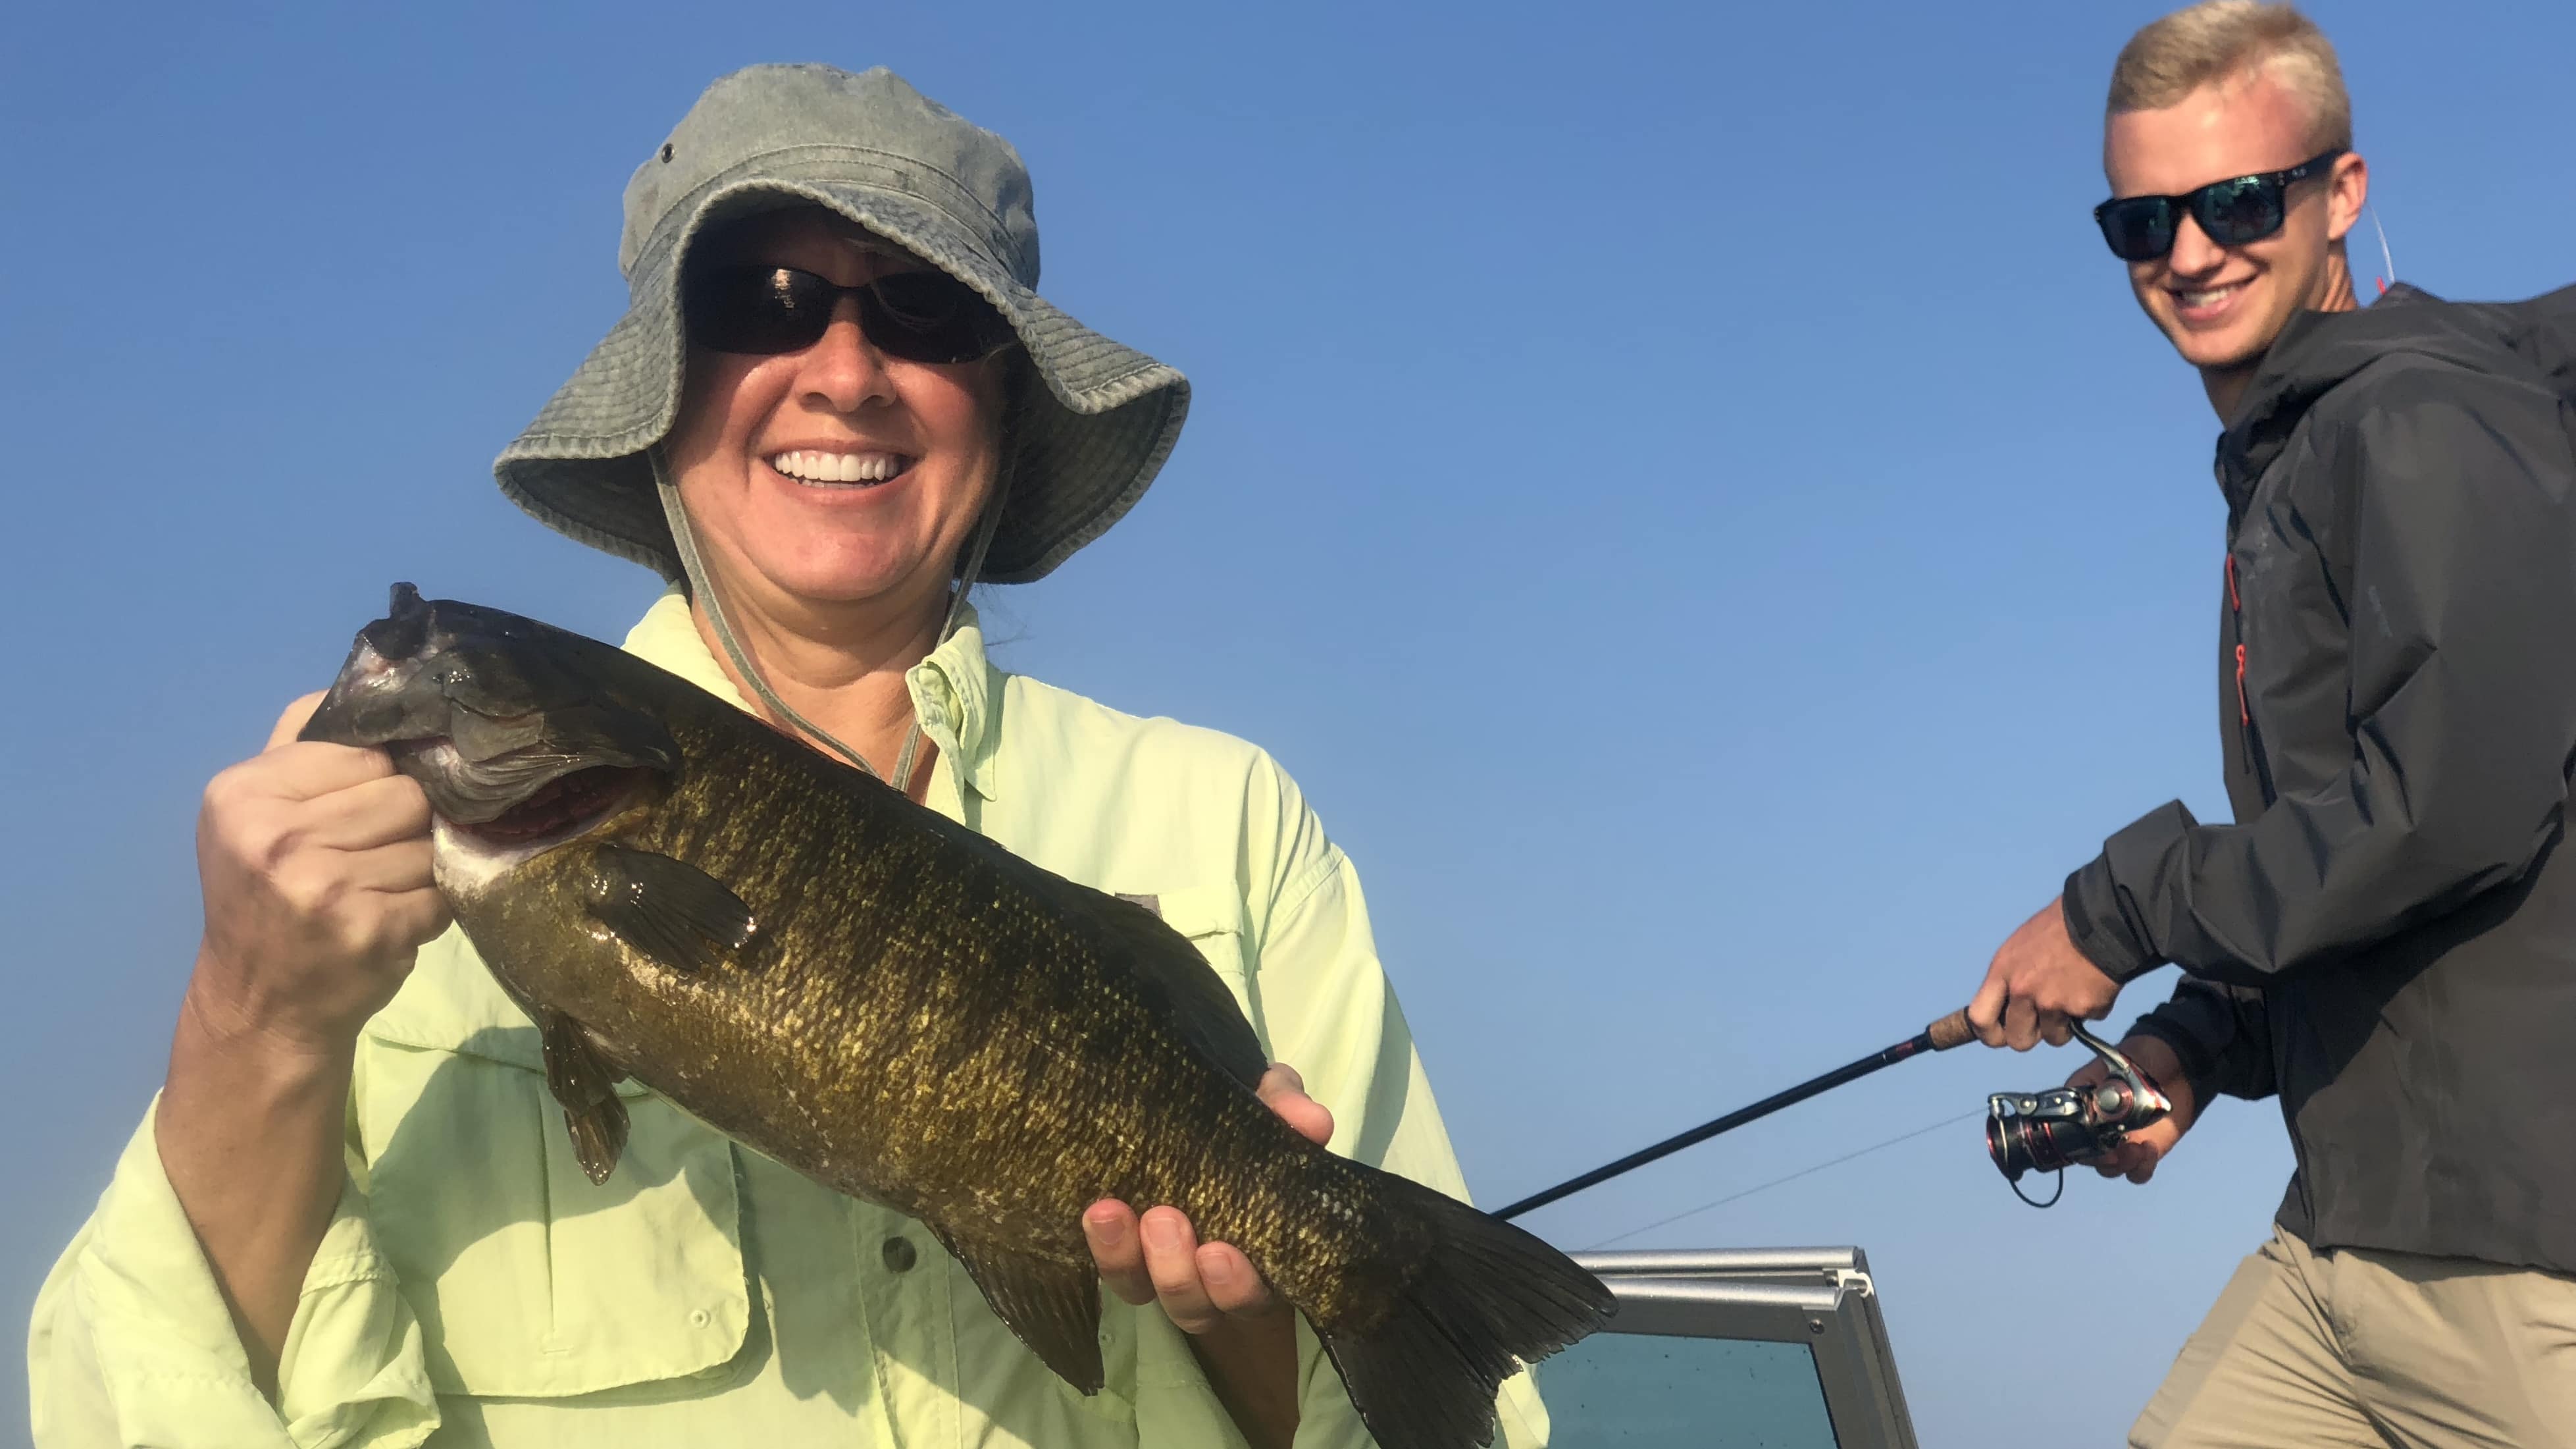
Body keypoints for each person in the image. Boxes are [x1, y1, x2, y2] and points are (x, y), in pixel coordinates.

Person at [30, 64, 1547, 1449]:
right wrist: (255, 1019)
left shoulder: (1227, 822)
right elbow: (126, 1409)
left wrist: (1253, 1323)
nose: (846, 369)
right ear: (667, 386)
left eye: (927, 314)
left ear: (1003, 398)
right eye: (764, 299)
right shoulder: (345, 905)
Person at [1963, 3, 2576, 1445]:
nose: (2188, 253)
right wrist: (2195, 1048)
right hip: (2340, 1252)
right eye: (2142, 221)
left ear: (2339, 195)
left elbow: (2449, 811)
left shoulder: (2414, 423)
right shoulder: (2290, 462)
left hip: (2525, 1273)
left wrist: (2118, 910)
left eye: (2238, 200)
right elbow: (2355, 852)